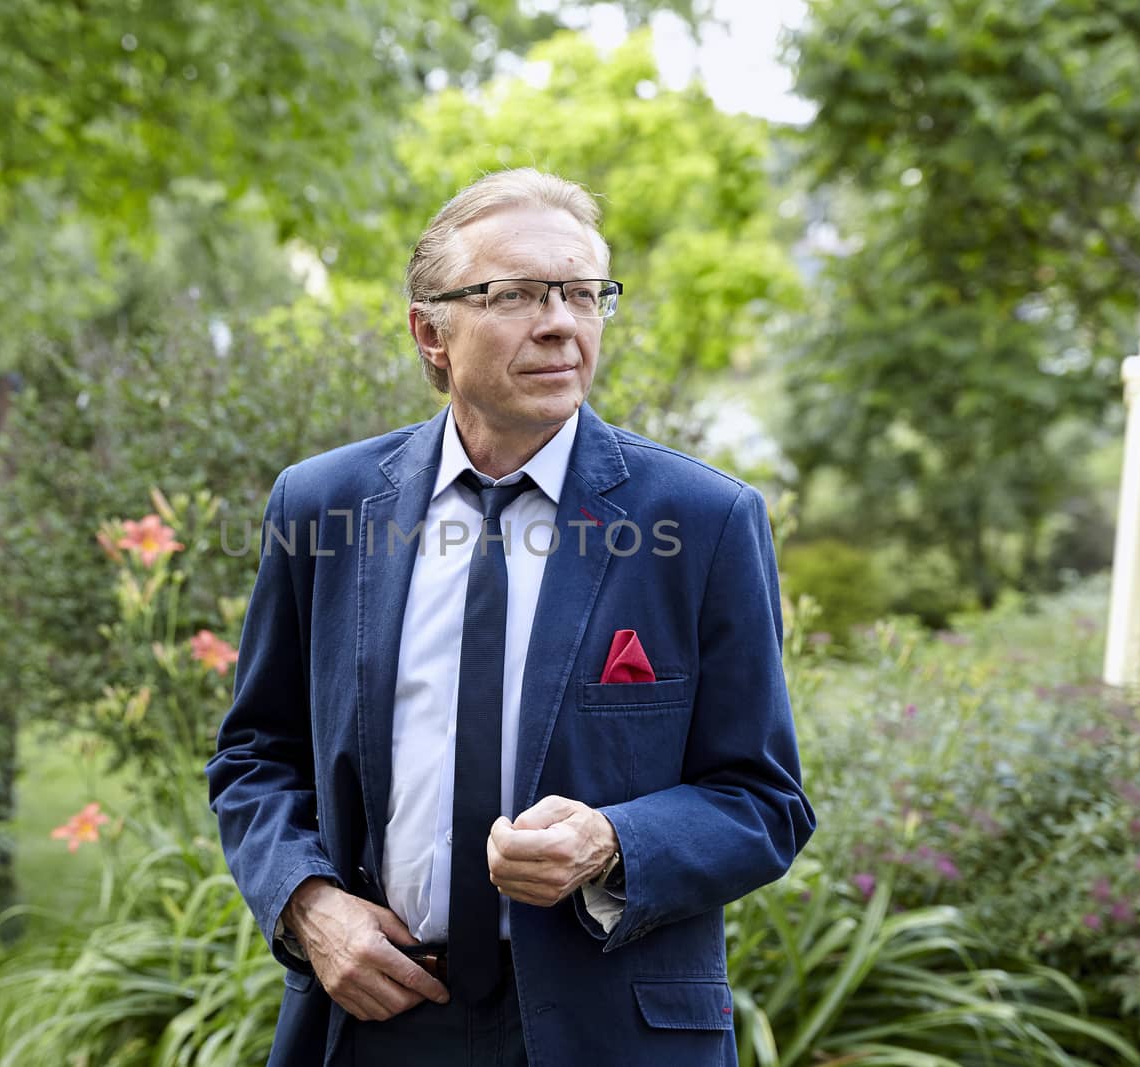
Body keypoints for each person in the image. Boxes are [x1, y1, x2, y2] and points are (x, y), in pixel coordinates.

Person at [206, 169, 814, 1067]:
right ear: (431, 332)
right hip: (378, 1014)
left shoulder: (704, 520)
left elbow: (764, 799)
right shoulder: (323, 506)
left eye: (583, 293)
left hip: (609, 1029)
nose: (561, 322)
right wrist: (309, 905)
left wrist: (612, 841)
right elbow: (256, 754)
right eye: (516, 294)